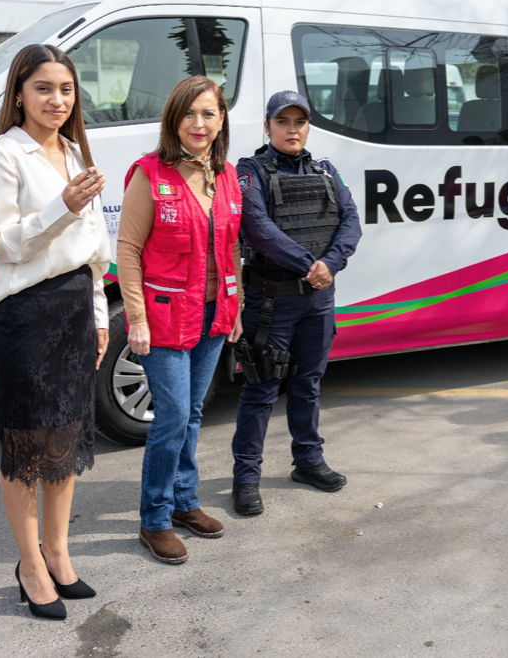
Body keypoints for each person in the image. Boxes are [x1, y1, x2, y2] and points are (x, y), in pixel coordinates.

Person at [0, 44, 110, 620]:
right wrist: (62, 207)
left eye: (66, 89)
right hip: (25, 316)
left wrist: (99, 316)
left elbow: (94, 249)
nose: (57, 99)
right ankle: (29, 566)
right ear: (19, 93)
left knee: (66, 442)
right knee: (27, 449)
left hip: (76, 307)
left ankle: (57, 552)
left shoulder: (76, 152)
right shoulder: (2, 156)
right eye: (44, 88)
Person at [117, 75, 243, 564]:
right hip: (166, 316)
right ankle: (154, 519)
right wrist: (137, 318)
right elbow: (127, 250)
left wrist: (237, 307)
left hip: (213, 314)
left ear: (221, 119)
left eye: (209, 113)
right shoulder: (149, 174)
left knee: (191, 413)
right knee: (170, 416)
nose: (199, 123)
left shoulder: (225, 174)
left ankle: (185, 501)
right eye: (189, 113)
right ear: (173, 119)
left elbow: (231, 247)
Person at [230, 90, 361, 517]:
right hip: (272, 302)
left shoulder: (325, 169)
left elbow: (351, 220)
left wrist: (331, 264)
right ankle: (246, 478)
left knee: (308, 385)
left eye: (299, 122)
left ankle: (307, 461)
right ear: (267, 127)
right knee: (261, 390)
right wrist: (311, 264)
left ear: (307, 127)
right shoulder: (249, 170)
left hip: (319, 300)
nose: (292, 129)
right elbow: (258, 227)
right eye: (282, 121)